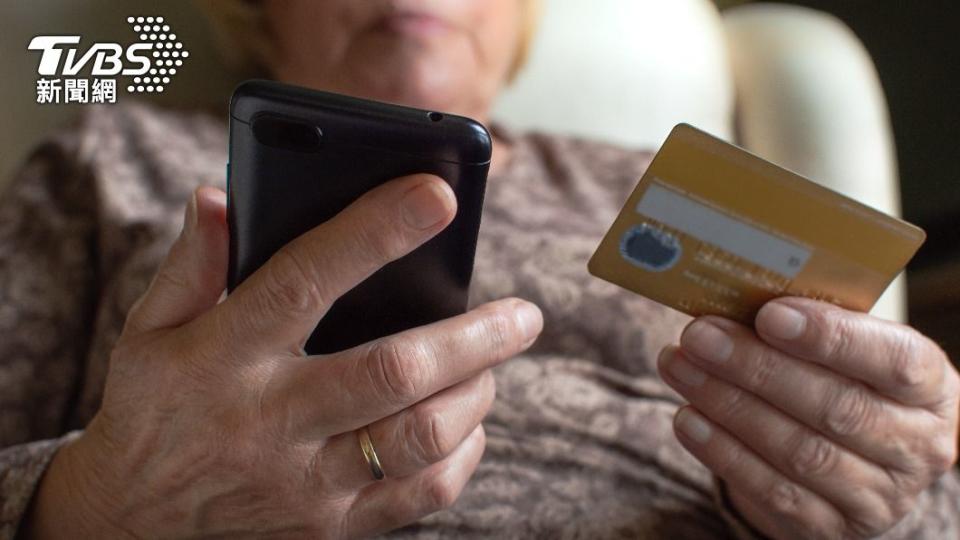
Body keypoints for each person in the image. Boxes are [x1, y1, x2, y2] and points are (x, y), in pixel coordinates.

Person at [1, 1, 958, 538]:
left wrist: (890, 497)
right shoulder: (115, 155)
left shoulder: (657, 180)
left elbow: (912, 498)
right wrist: (100, 505)